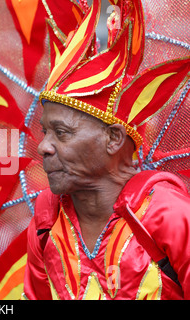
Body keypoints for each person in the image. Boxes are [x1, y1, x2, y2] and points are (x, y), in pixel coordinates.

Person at [23, 0, 190, 300]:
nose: (44, 146)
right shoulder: (46, 220)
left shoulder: (169, 216)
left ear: (113, 138)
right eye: (45, 131)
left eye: (61, 133)